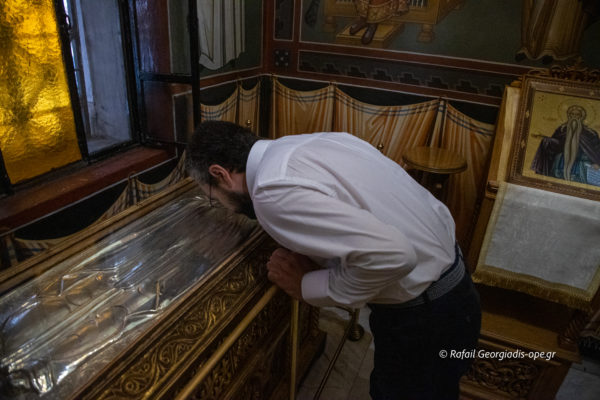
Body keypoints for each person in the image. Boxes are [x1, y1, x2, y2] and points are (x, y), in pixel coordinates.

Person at [186, 120, 481, 399]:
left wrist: (306, 284)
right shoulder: (310, 143)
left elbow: (394, 255)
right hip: (457, 289)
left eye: (213, 196)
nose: (221, 205)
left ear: (220, 174)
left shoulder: (269, 193)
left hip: (426, 321)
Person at [531, 105, 600, 185]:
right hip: (561, 162)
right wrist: (546, 140)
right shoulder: (561, 130)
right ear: (569, 115)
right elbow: (556, 144)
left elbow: (596, 151)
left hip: (581, 164)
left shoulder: (590, 133)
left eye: (577, 114)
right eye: (572, 114)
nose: (574, 117)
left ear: (581, 117)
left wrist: (597, 162)